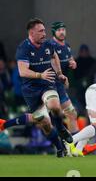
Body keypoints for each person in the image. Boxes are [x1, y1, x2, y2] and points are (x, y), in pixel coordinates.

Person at [0, 18, 72, 157]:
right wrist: (40, 75)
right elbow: (22, 71)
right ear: (31, 33)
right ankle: (59, 147)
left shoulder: (48, 44)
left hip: (47, 84)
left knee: (55, 106)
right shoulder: (24, 48)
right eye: (41, 31)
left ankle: (61, 129)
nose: (44, 34)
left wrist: (59, 74)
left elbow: (54, 56)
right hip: (31, 89)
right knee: (43, 122)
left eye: (44, 30)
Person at [50, 21, 79, 134]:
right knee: (43, 117)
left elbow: (70, 58)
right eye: (58, 30)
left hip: (59, 85)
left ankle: (74, 145)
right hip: (49, 85)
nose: (61, 32)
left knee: (71, 114)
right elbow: (52, 61)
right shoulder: (50, 45)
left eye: (63, 30)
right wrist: (60, 75)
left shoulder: (67, 46)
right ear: (54, 32)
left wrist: (73, 62)